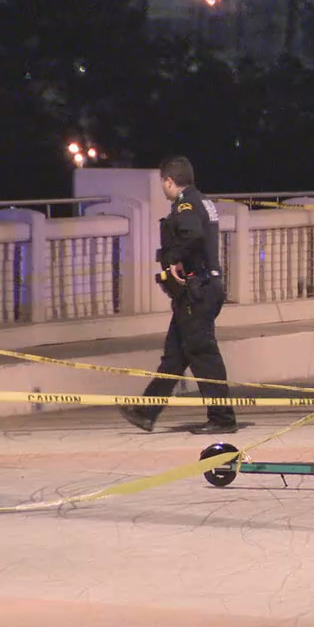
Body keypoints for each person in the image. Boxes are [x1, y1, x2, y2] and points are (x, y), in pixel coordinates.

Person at [119, 156, 237, 434]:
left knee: (202, 353)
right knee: (174, 355)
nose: (163, 188)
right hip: (200, 289)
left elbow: (192, 234)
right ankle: (146, 411)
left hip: (199, 290)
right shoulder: (201, 200)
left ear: (169, 181)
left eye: (164, 183)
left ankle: (222, 418)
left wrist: (174, 259)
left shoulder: (185, 204)